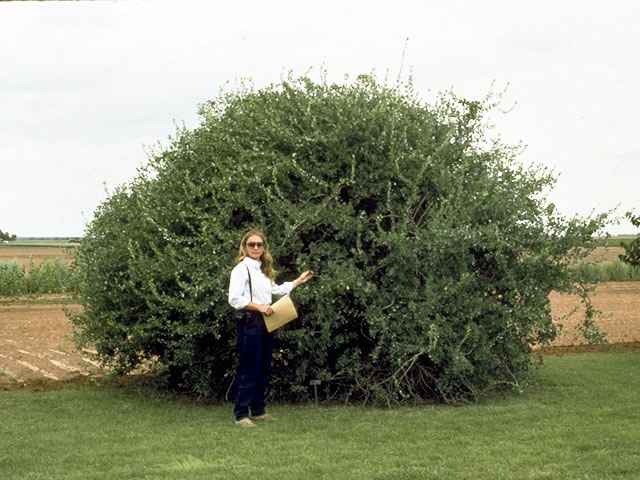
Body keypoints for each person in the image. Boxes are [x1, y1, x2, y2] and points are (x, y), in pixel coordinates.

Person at [228, 229, 313, 427]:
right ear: (245, 247)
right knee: (249, 367)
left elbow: (275, 291)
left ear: (264, 247)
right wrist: (259, 307)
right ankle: (241, 415)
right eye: (252, 245)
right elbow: (234, 298)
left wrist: (298, 281)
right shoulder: (241, 269)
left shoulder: (262, 269)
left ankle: (258, 411)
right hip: (251, 321)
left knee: (264, 367)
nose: (256, 248)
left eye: (259, 244)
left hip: (267, 320)